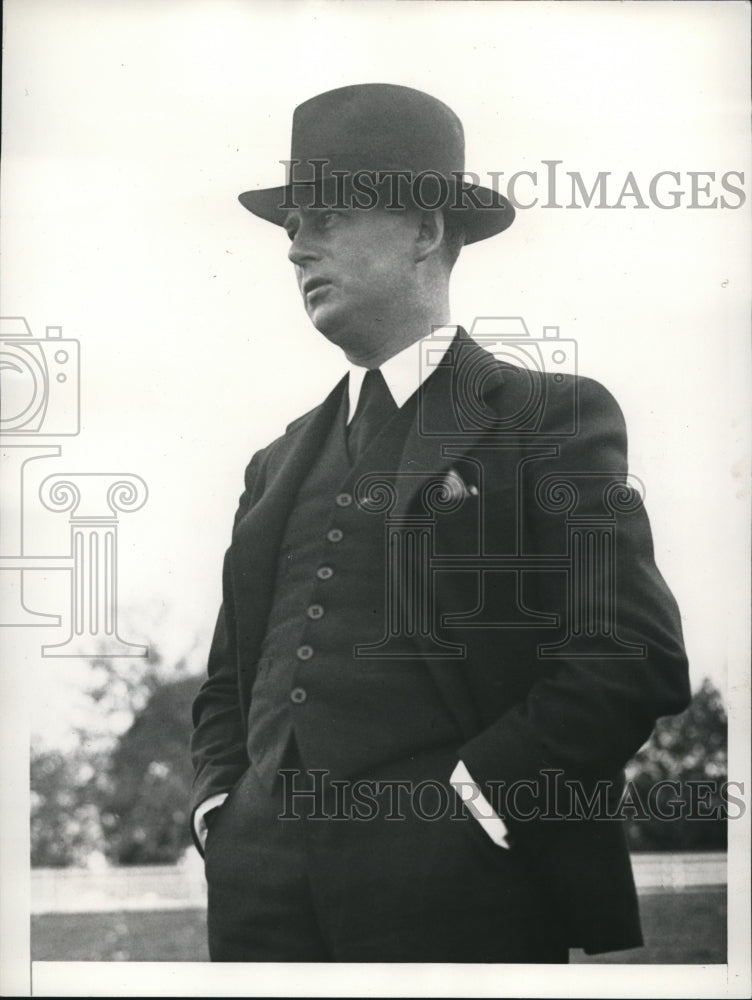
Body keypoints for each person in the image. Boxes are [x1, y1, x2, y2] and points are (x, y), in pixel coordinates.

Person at [190, 83, 690, 963]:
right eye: (292, 224)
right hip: (257, 890)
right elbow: (230, 676)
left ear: (426, 230)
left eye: (328, 216)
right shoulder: (276, 462)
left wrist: (483, 798)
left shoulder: (547, 416)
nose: (296, 247)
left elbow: (632, 651)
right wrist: (220, 811)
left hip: (459, 884)